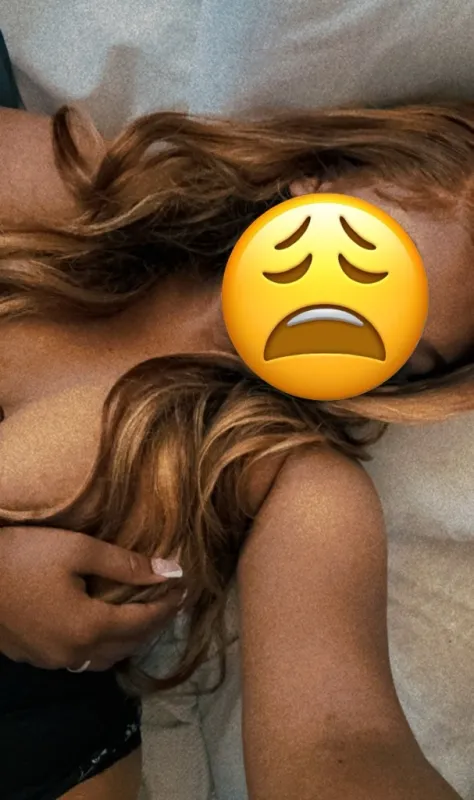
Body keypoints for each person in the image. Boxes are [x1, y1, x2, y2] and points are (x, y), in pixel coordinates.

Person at [1, 98, 473, 800]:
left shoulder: (289, 478)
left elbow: (340, 744)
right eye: (368, 258)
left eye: (401, 348)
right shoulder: (93, 188)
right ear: (314, 179)